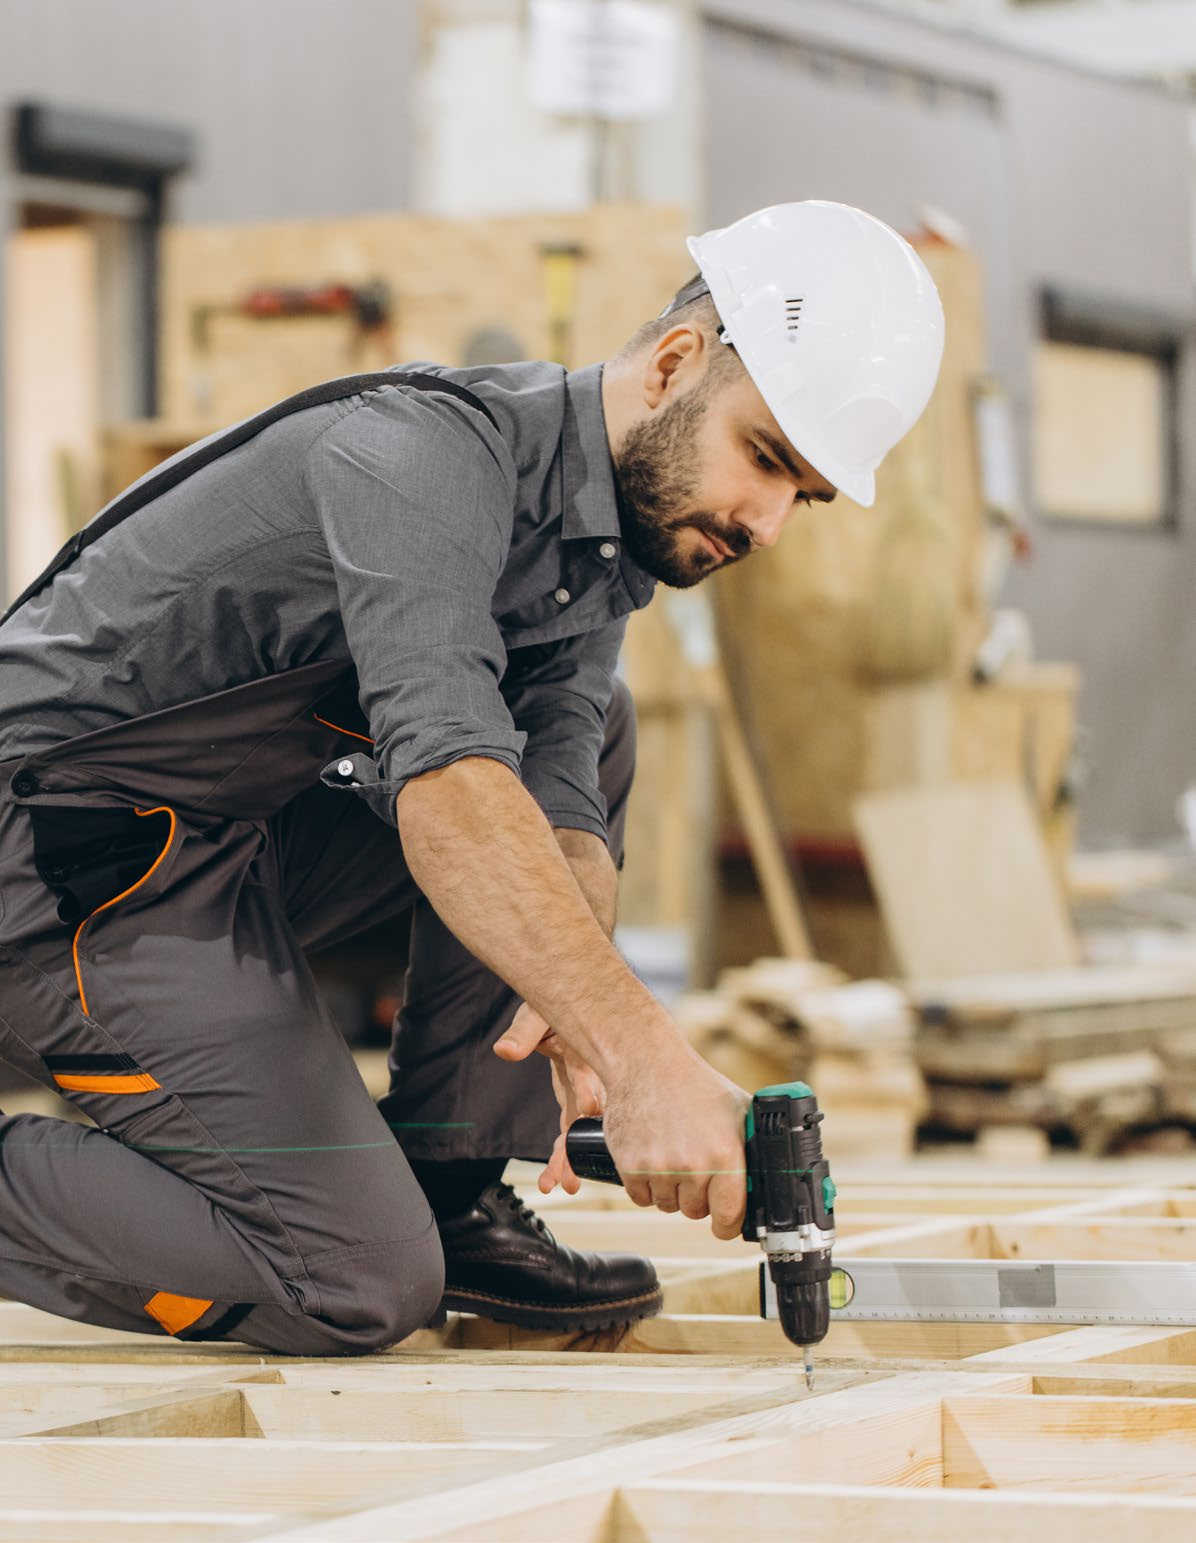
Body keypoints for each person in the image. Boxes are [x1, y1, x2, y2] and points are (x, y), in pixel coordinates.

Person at [0, 201, 943, 1353]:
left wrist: (585, 1029)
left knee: (594, 719)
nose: (767, 522)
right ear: (675, 362)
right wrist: (646, 1058)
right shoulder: (419, 458)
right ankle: (384, 1234)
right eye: (762, 457)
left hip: (205, 839)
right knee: (354, 1282)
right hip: (56, 859)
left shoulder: (597, 549)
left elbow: (557, 801)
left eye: (804, 494)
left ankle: (452, 1184)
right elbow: (447, 790)